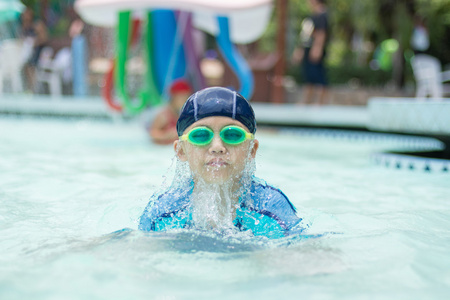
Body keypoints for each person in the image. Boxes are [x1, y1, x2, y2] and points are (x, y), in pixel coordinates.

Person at [139, 87, 308, 239]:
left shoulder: (272, 209)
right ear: (181, 151)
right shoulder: (162, 212)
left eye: (233, 134)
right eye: (201, 135)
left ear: (252, 150)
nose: (217, 147)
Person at [292, 0, 329, 105]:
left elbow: (321, 34)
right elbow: (305, 36)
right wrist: (300, 51)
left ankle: (320, 102)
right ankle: (306, 101)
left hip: (315, 50)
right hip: (308, 49)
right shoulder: (312, 15)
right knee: (308, 77)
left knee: (319, 76)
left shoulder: (322, 15)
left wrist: (317, 48)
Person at [148, 79, 192, 145]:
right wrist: (165, 136)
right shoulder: (164, 115)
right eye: (180, 97)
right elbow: (152, 133)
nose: (184, 100)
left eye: (186, 97)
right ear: (173, 98)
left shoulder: (187, 114)